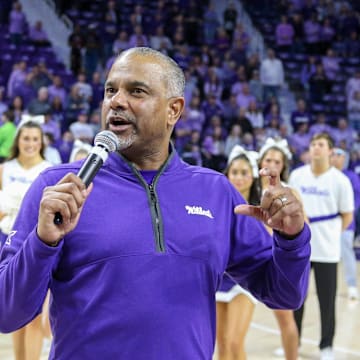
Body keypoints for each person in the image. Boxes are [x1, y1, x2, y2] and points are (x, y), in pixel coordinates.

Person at [0, 47, 311, 359]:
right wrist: (41, 244)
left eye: (136, 91)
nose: (116, 101)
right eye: (111, 90)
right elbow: (6, 312)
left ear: (173, 110)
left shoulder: (215, 191)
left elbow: (283, 293)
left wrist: (291, 239)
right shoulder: (58, 188)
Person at [289, 133, 354, 360]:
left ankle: (326, 346)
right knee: (295, 299)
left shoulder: (340, 181)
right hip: (299, 250)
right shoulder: (297, 176)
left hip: (327, 250)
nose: (316, 148)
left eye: (321, 145)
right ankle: (292, 344)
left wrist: (331, 234)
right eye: (313, 144)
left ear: (330, 151)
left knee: (327, 301)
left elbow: (347, 215)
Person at [0, 119, 52, 360]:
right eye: (26, 138)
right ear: (17, 140)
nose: (30, 143)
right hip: (5, 241)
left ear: (41, 143)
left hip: (35, 245)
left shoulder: (50, 170)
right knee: (12, 313)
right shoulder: (5, 169)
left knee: (33, 315)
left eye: (35, 139)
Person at [216, 145, 261, 360]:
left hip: (245, 280)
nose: (239, 178)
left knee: (235, 343)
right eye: (235, 172)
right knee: (222, 345)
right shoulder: (215, 206)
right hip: (219, 279)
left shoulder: (261, 208)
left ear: (253, 176)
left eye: (244, 173)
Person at [258, 138, 301, 360]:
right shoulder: (248, 185)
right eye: (268, 160)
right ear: (260, 162)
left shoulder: (289, 191)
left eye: (277, 161)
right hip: (247, 259)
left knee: (285, 319)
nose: (272, 165)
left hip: (275, 261)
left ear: (283, 165)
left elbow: (303, 224)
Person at [330, 147, 360, 300]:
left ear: (344, 159)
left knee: (347, 253)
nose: (334, 158)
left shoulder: (351, 177)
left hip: (346, 222)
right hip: (326, 224)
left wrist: (346, 213)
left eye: (338, 156)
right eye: (333, 155)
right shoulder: (326, 176)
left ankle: (352, 285)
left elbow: (357, 199)